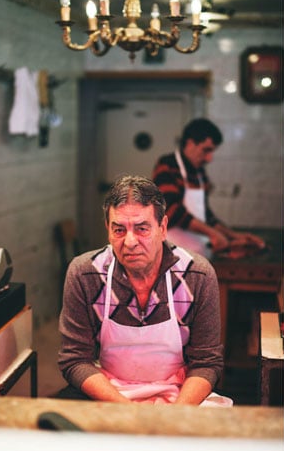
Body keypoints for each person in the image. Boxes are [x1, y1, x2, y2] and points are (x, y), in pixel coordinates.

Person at [57, 175, 230, 406]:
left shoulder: (196, 274)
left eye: (142, 229)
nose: (130, 242)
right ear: (107, 229)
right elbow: (75, 359)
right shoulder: (85, 274)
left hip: (178, 392)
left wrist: (175, 415)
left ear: (163, 227)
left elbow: (206, 363)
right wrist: (127, 410)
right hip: (110, 392)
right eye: (119, 230)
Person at [152, 118, 264, 257]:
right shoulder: (167, 165)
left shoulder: (199, 173)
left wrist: (233, 235)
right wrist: (212, 233)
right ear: (190, 143)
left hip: (196, 248)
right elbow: (172, 210)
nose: (209, 158)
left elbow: (206, 215)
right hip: (171, 251)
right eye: (206, 150)